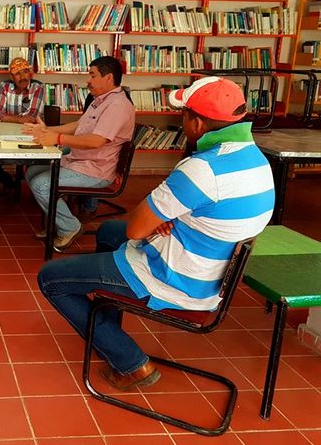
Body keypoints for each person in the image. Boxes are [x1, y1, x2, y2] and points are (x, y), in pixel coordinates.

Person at [38, 76, 274, 391]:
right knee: (108, 231)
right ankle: (106, 322)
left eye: (183, 115)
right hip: (210, 272)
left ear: (197, 123)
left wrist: (158, 216)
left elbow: (137, 227)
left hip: (176, 278)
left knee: (51, 279)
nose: (182, 122)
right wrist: (165, 217)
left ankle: (131, 363)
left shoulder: (201, 169)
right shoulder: (257, 160)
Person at [23, 56, 135, 250]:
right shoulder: (100, 100)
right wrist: (48, 130)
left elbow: (96, 141)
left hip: (95, 170)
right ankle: (56, 222)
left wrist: (57, 139)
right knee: (32, 172)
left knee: (41, 184)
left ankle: (69, 227)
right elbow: (79, 125)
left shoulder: (118, 106)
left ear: (109, 78)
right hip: (80, 160)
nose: (88, 81)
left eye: (92, 75)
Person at [0, 57, 46, 190]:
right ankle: (10, 185)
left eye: (25, 72)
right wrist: (19, 119)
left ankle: (34, 191)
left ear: (30, 73)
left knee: (34, 165)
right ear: (11, 76)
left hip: (30, 137)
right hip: (5, 136)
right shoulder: (5, 86)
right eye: (18, 74)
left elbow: (32, 117)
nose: (23, 77)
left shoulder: (38, 87)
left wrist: (7, 117)